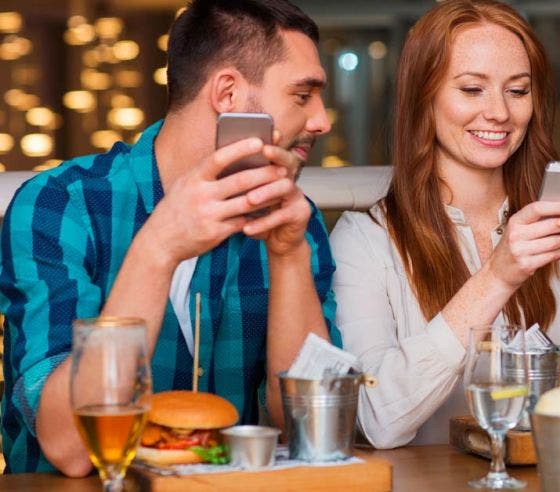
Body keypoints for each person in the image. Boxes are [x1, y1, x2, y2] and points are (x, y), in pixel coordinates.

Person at [0, 0, 339, 475]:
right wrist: (159, 247)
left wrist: (288, 257)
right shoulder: (60, 205)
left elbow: (311, 435)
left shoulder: (295, 224)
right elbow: (72, 447)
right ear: (227, 93)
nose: (323, 120)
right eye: (303, 96)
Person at [330, 0, 560, 449]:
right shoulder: (365, 240)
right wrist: (497, 276)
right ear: (423, 99)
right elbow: (376, 421)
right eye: (472, 89)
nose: (500, 113)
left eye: (518, 90)